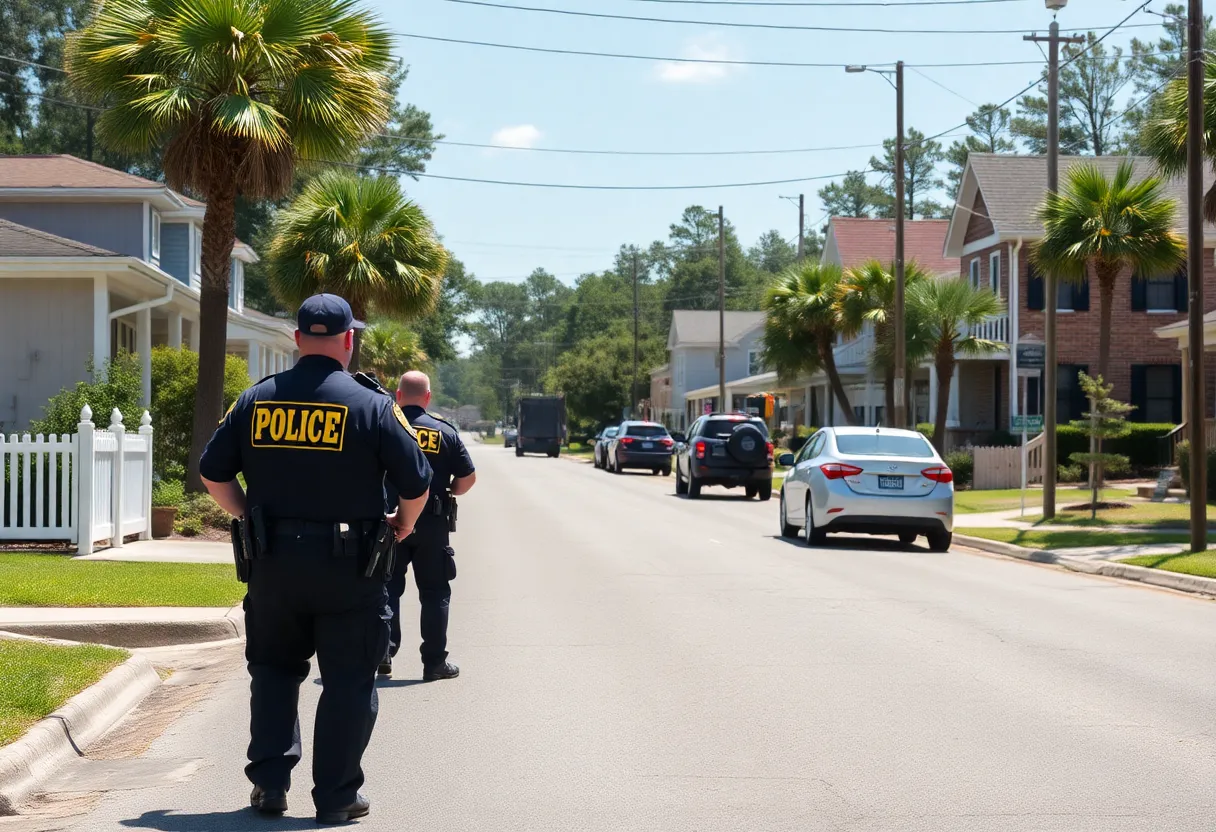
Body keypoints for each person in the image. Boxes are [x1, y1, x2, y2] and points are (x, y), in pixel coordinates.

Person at [199, 293, 432, 825]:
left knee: (275, 672)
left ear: (297, 339)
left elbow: (214, 474)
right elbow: (416, 482)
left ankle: (270, 787)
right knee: (350, 680)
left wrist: (247, 516)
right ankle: (335, 797)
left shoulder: (255, 401)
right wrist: (405, 525)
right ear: (349, 340)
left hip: (273, 565)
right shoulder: (373, 405)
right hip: (351, 569)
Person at [381, 370, 477, 681]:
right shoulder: (443, 432)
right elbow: (467, 479)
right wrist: (449, 490)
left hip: (390, 521)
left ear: (397, 396)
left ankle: (383, 652)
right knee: (435, 592)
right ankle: (434, 663)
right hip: (433, 524)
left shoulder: (384, 426)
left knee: (385, 588)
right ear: (428, 398)